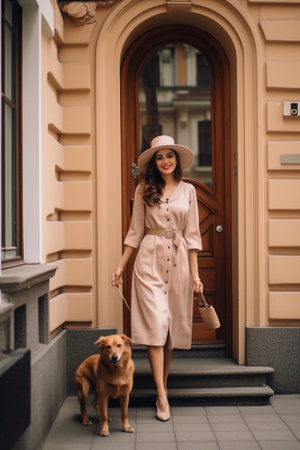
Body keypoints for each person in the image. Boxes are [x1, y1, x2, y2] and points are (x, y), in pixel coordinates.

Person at [111, 135, 203, 421]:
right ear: (154, 162)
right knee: (155, 327)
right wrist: (120, 266)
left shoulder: (188, 191)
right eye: (160, 157)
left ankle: (161, 387)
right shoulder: (143, 190)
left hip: (179, 264)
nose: (165, 161)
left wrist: (196, 276)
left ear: (176, 160)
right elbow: (135, 232)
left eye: (170, 156)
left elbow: (193, 236)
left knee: (169, 331)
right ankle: (162, 396)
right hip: (148, 263)